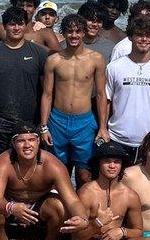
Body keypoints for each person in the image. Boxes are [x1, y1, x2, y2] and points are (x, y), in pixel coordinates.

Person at [0, 122, 86, 240]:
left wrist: (82, 218)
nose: (27, 145)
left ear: (38, 141)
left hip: (39, 204)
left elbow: (73, 200)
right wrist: (10, 207)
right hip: (10, 202)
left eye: (31, 140)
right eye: (21, 141)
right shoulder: (4, 162)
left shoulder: (53, 165)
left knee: (60, 207)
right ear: (13, 143)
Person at [40, 12, 106, 187]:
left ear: (84, 33)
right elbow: (47, 95)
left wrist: (103, 128)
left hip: (84, 122)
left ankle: (83, 212)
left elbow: (101, 95)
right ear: (64, 33)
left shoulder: (96, 59)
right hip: (57, 120)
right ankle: (60, 212)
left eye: (78, 31)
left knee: (85, 174)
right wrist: (44, 126)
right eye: (69, 31)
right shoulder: (54, 60)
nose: (74, 35)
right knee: (58, 172)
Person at [97, 14, 150, 164]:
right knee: (117, 185)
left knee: (146, 186)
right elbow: (106, 100)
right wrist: (102, 128)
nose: (144, 39)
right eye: (139, 35)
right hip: (118, 138)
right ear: (130, 37)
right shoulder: (114, 67)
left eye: (148, 35)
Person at [0, 6, 50, 159]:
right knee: (1, 163)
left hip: (29, 120)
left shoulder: (38, 53)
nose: (16, 28)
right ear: (5, 26)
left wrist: (43, 124)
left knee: (29, 163)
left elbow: (46, 91)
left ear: (26, 25)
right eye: (12, 24)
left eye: (20, 24)